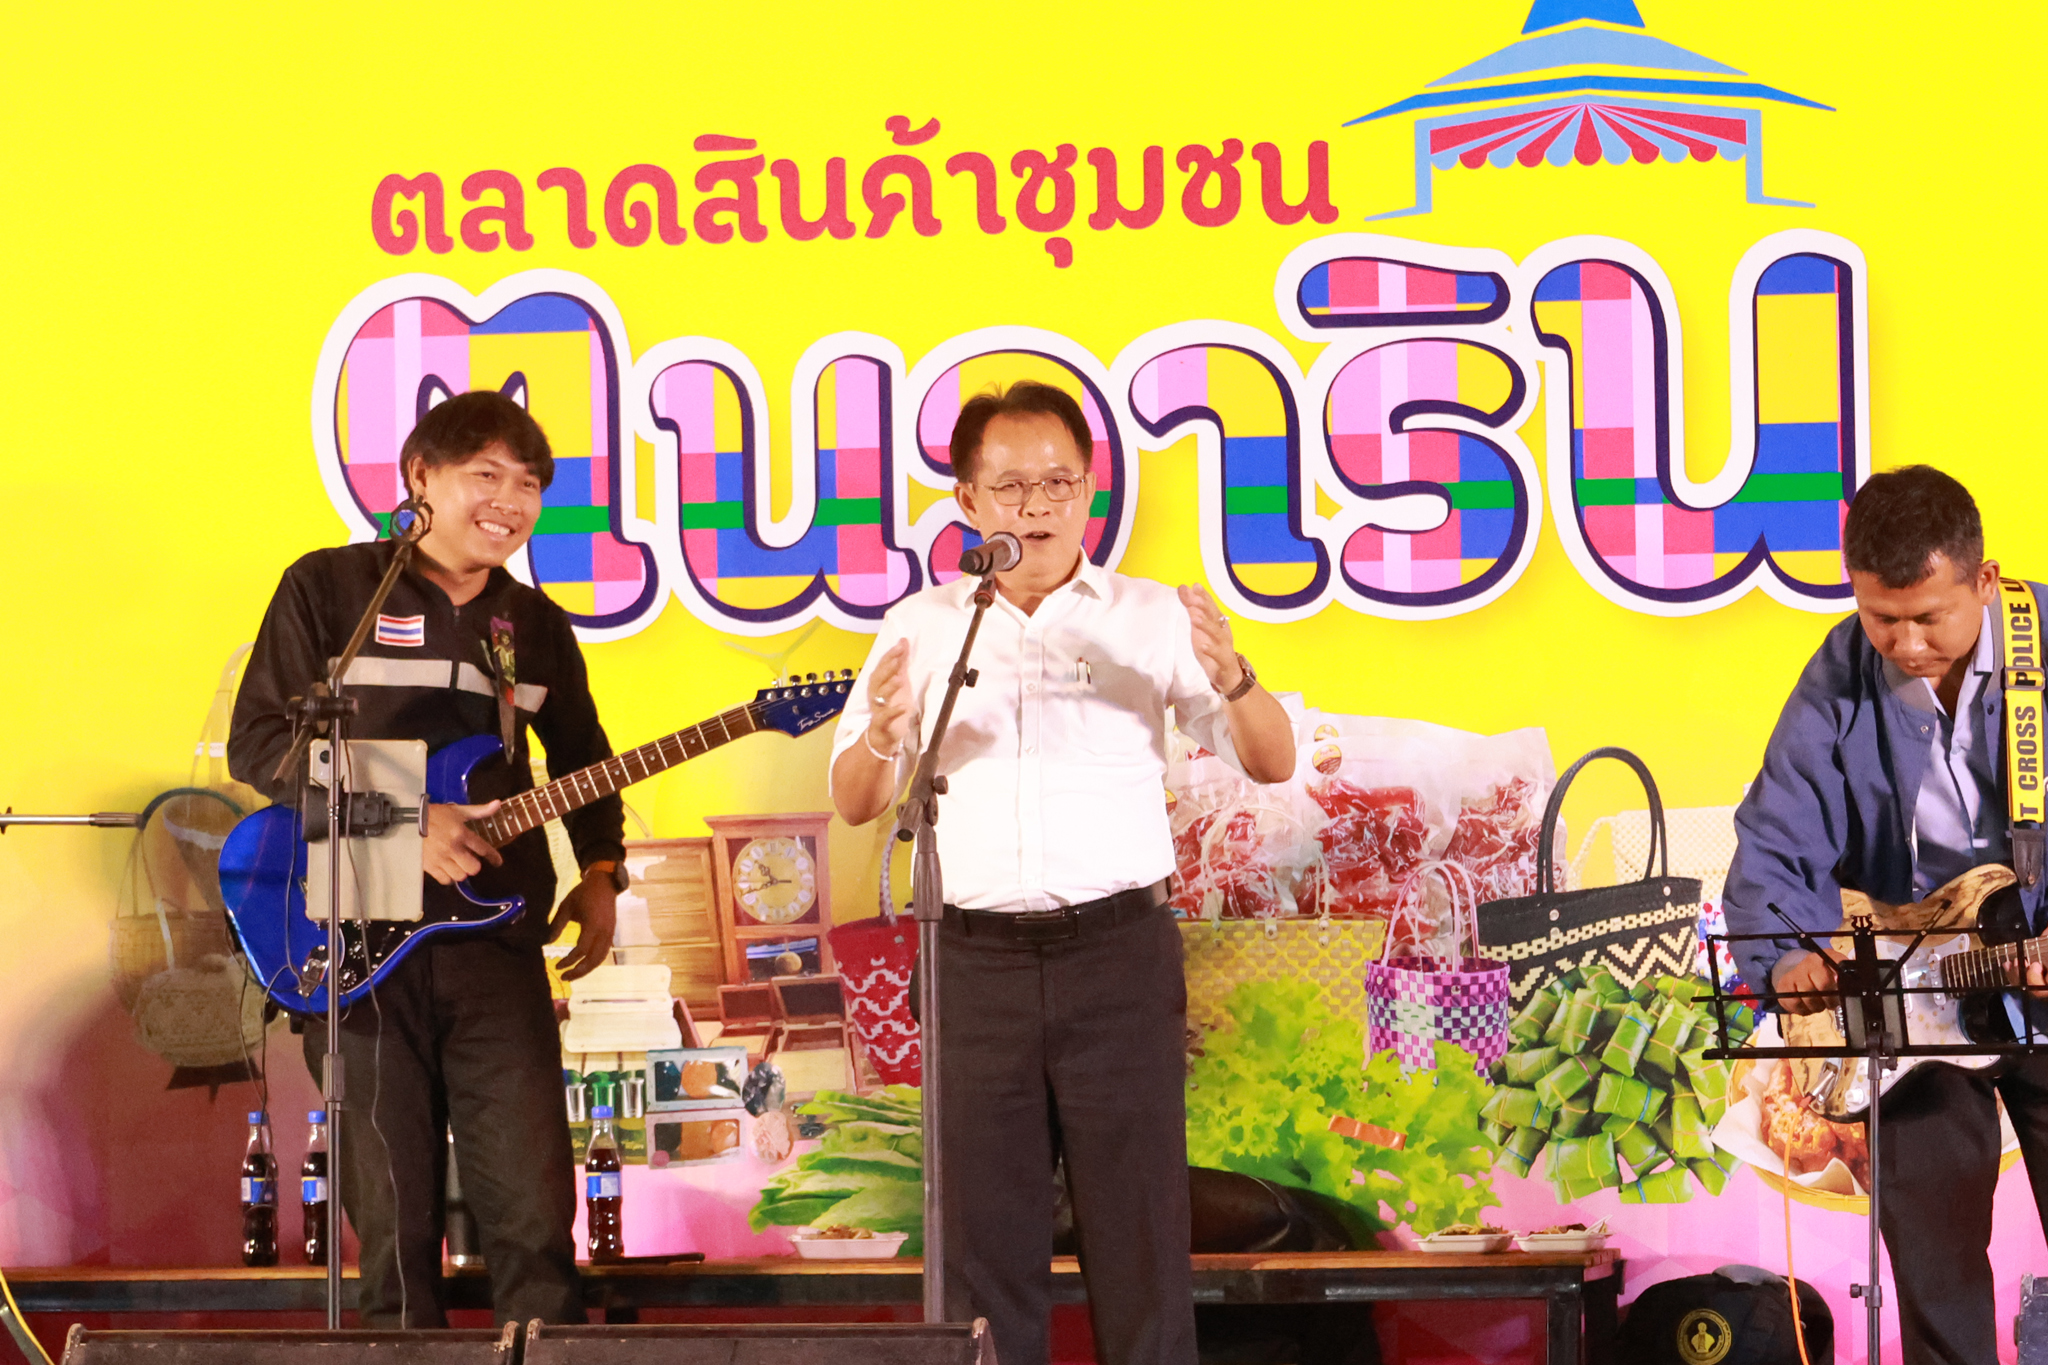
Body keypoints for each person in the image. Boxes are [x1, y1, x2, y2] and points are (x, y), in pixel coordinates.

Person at [829, 381, 1296, 1365]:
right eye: (1009, 487)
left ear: (1088, 491)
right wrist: (879, 733)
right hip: (972, 967)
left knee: (1139, 1240)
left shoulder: (1149, 616)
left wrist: (1235, 677)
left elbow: (1271, 759)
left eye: (1057, 483)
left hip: (1116, 958)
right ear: (967, 501)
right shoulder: (925, 625)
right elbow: (857, 798)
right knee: (983, 1258)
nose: (1035, 506)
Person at [228, 390, 625, 1326]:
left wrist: (602, 871)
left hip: (496, 939)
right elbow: (260, 744)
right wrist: (406, 818)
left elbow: (585, 760)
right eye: (486, 474)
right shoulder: (330, 589)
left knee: (534, 1217)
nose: (510, 501)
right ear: (420, 478)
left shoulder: (534, 625)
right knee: (395, 1238)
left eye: (529, 486)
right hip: (357, 931)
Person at [1723, 465, 2048, 1364]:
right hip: (1916, 994)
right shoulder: (1840, 670)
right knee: (1935, 1270)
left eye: (1928, 616)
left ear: (1985, 580)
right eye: (1880, 616)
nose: (1904, 643)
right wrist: (1785, 953)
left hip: (2037, 963)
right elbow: (1778, 827)